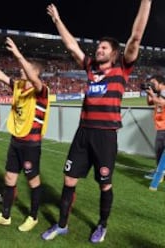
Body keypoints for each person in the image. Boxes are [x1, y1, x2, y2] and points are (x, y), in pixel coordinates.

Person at [41, 1, 152, 243]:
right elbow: (72, 47)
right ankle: (62, 224)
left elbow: (136, 37)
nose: (98, 50)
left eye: (103, 48)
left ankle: (102, 225)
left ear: (113, 53)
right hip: (83, 134)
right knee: (68, 180)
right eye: (98, 47)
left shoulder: (123, 67)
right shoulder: (90, 68)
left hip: (105, 135)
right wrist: (58, 20)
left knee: (104, 185)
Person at [0, 37, 50, 232]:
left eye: (25, 68)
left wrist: (18, 54)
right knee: (10, 179)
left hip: (31, 144)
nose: (20, 70)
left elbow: (32, 77)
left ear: (34, 73)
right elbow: (2, 76)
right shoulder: (19, 86)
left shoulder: (41, 90)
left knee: (33, 181)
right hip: (16, 142)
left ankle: (33, 216)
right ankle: (5, 216)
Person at [144, 75, 165, 181]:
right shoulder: (159, 94)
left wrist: (152, 94)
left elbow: (162, 103)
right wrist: (148, 93)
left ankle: (159, 174)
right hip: (161, 126)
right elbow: (149, 103)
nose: (152, 85)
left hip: (164, 126)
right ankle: (160, 171)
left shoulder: (164, 91)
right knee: (159, 150)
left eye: (153, 83)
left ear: (160, 83)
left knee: (160, 151)